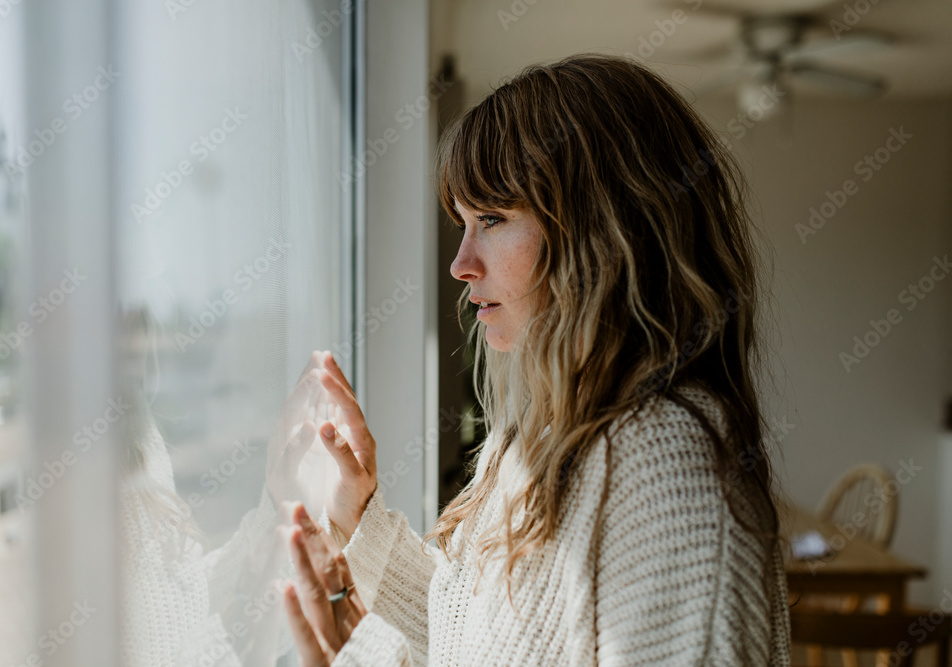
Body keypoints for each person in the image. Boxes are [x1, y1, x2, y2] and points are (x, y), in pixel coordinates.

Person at [278, 53, 792, 666]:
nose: (460, 263)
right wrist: (357, 513)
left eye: (492, 218)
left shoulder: (663, 468)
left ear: (602, 230)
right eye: (462, 223)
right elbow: (472, 639)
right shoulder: (537, 442)